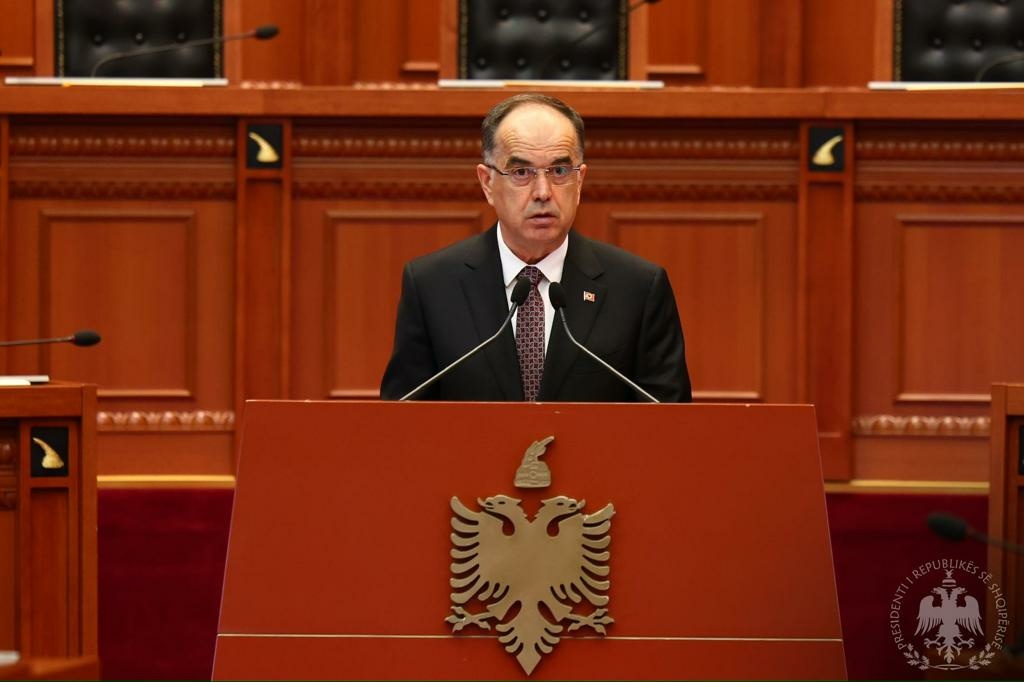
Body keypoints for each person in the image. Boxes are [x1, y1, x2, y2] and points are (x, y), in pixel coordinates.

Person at [380, 93, 691, 403]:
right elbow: (401, 420)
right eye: (521, 173)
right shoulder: (432, 286)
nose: (543, 192)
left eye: (559, 171)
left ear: (579, 181)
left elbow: (669, 423)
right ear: (487, 183)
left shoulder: (638, 289)